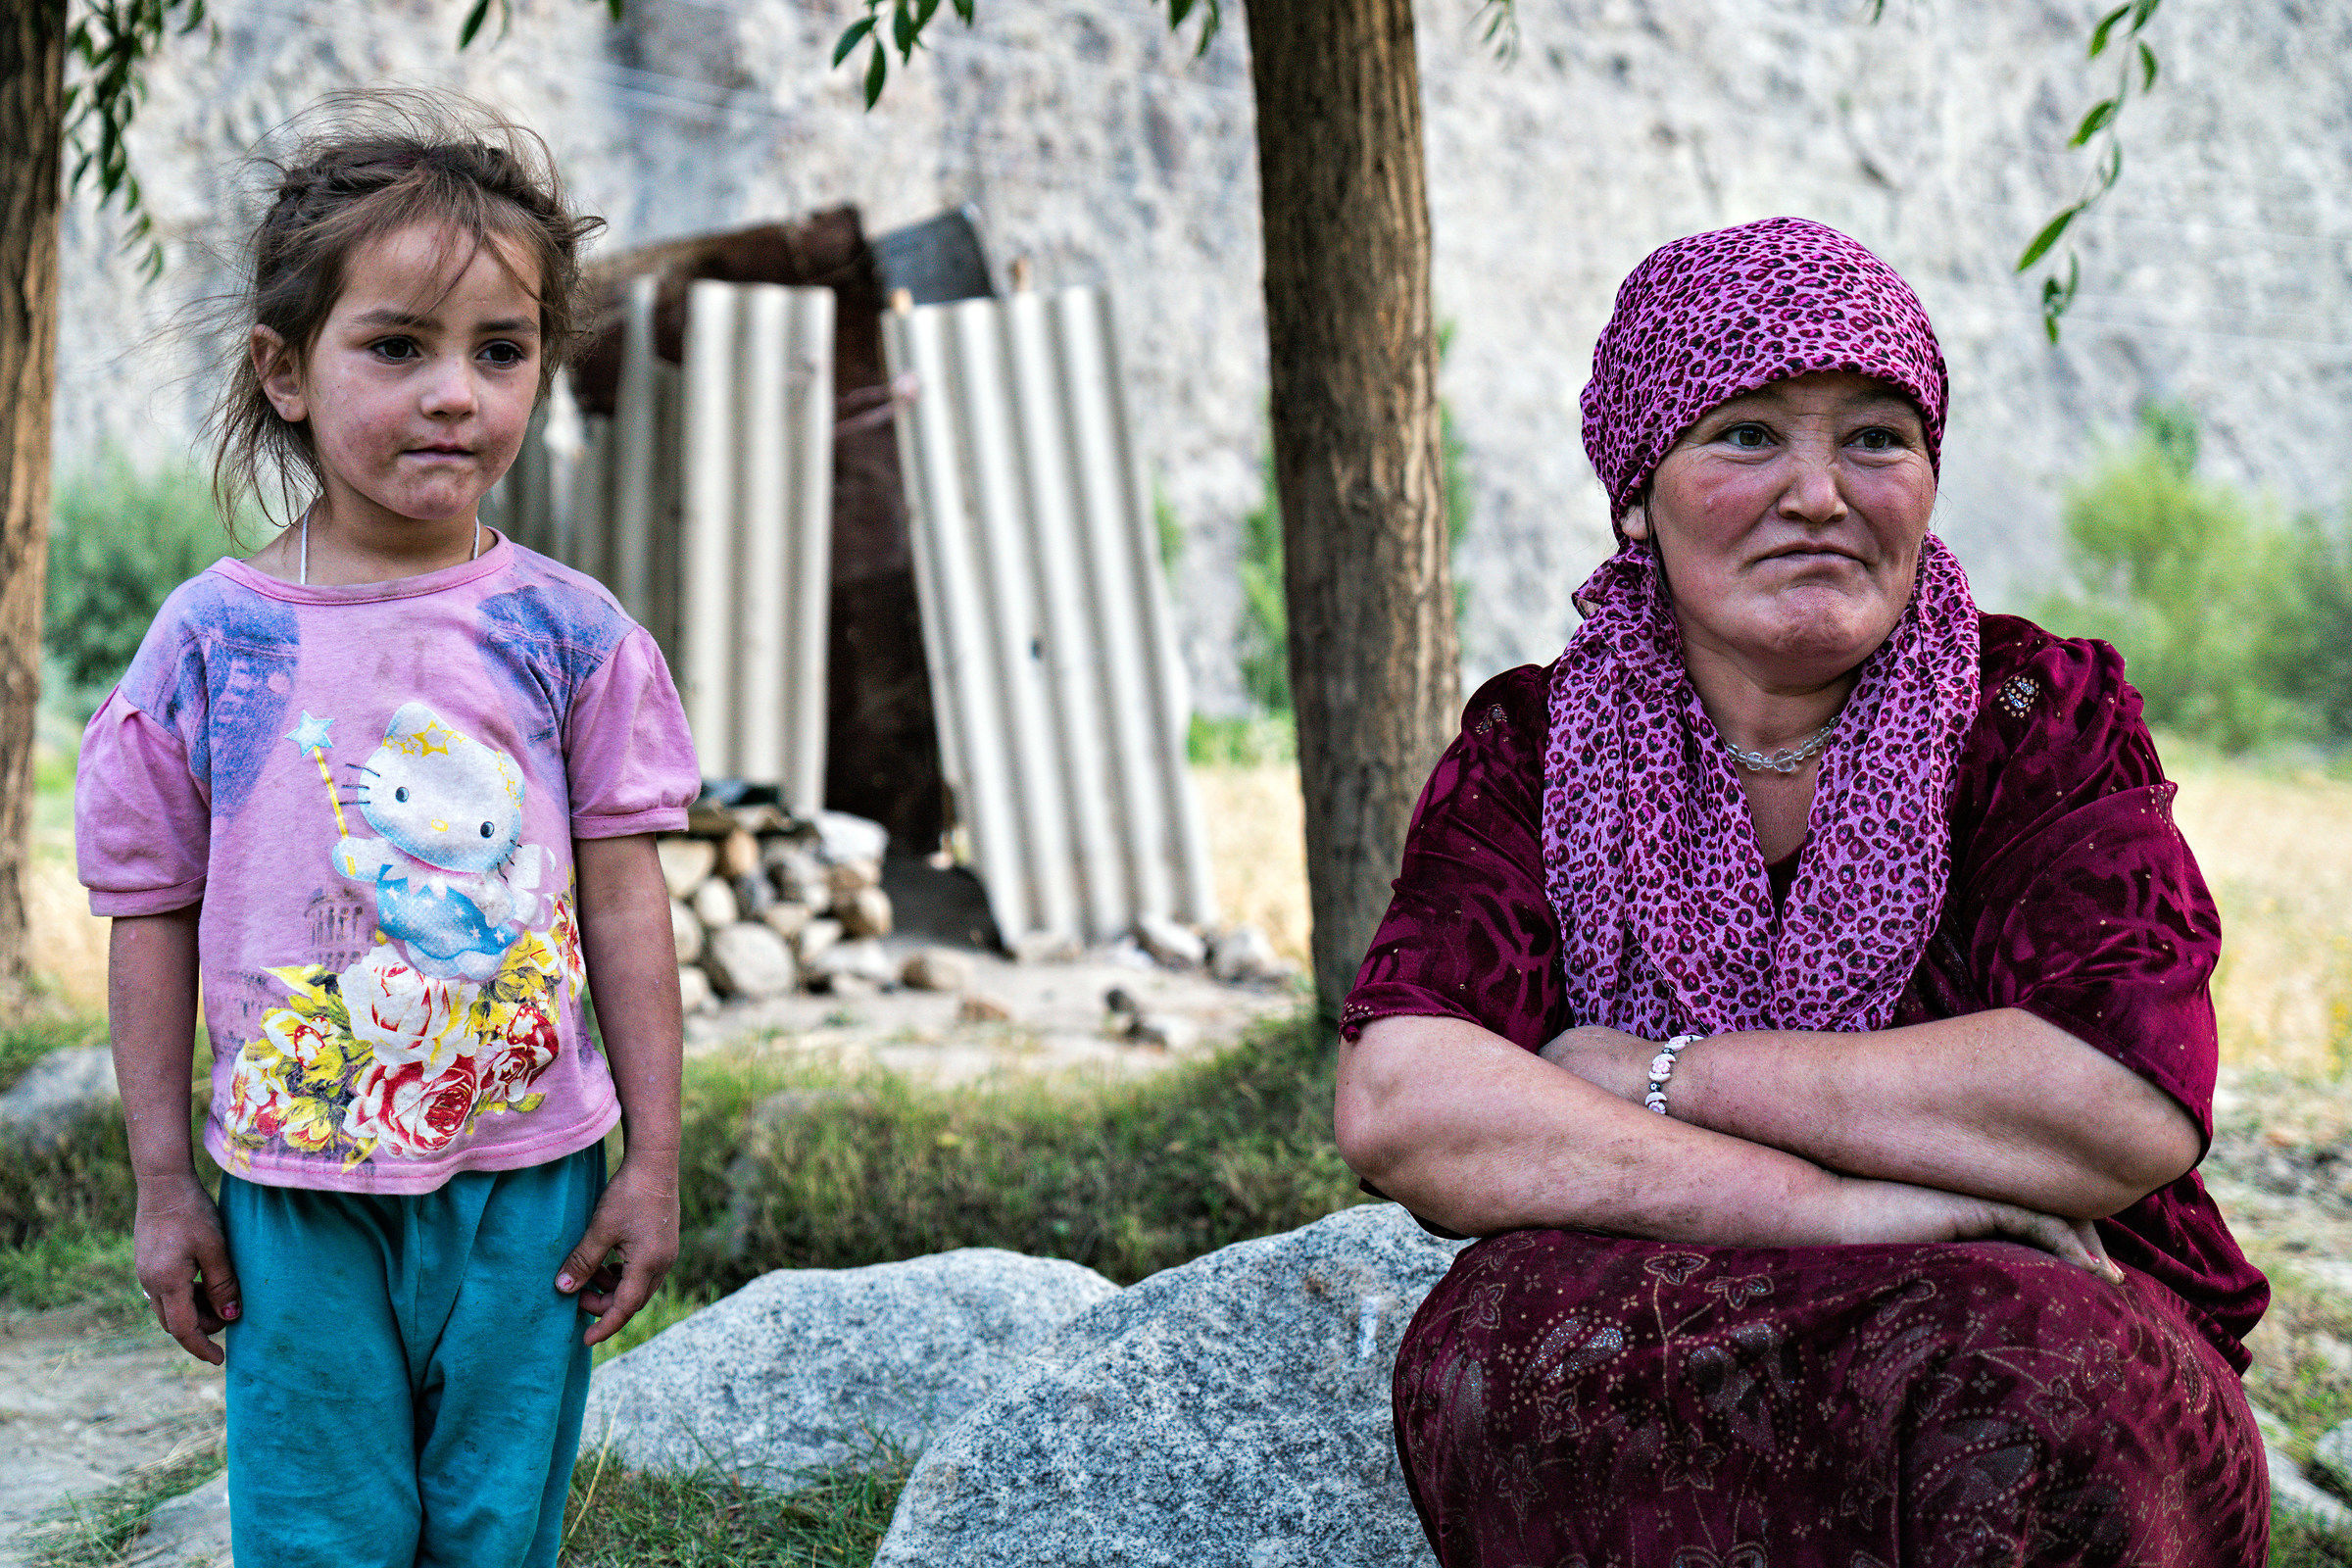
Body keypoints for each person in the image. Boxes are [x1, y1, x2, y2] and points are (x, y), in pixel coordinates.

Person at [1336, 217, 2270, 1567]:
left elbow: (2118, 1099)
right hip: (1680, 1288)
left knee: (2034, 1361)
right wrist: (1846, 1208)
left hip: (2045, 1304)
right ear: (1639, 485)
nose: (1822, 494)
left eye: (1877, 438)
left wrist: (1663, 1075)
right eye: (1750, 434)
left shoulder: (2034, 718)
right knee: (1507, 1347)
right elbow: (1408, 1099)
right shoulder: (1538, 749)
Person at [75, 92, 698, 1568]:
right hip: (295, 1187)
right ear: (285, 372)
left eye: (502, 350)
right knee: (321, 1537)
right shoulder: (211, 646)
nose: (454, 396)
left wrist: (653, 1165)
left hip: (531, 1183)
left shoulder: (572, 636)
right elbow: (148, 915)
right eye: (397, 346)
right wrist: (169, 1187)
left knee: (495, 1531)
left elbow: (624, 906)